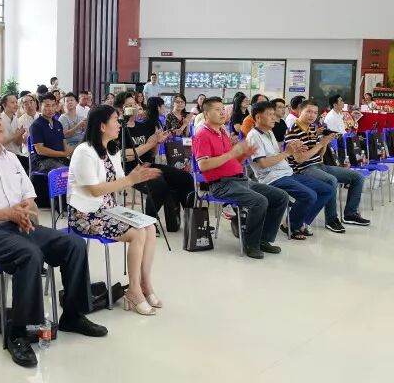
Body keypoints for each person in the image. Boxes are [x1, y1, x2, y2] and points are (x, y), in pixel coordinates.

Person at [0, 101, 107, 368]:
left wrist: (24, 211)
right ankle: (19, 332)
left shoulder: (11, 159)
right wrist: (8, 214)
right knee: (30, 254)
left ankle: (72, 315)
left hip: (19, 225)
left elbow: (30, 198)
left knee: (74, 244)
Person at [68, 105, 162, 315]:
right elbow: (93, 190)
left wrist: (135, 176)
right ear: (102, 126)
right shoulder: (84, 152)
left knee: (150, 227)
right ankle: (134, 290)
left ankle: (145, 284)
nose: (119, 125)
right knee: (138, 233)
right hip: (86, 215)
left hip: (109, 210)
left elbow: (120, 182)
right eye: (115, 121)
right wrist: (130, 180)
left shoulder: (112, 149)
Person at [192, 96, 288, 259]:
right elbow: (204, 165)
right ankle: (250, 243)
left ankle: (263, 239)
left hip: (240, 180)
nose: (222, 113)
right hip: (221, 185)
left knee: (281, 196)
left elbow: (232, 162)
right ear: (206, 114)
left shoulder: (222, 132)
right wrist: (232, 153)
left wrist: (243, 154)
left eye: (223, 109)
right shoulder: (202, 135)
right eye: (217, 110)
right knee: (260, 201)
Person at [246, 101, 334, 239]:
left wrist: (294, 149)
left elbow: (277, 154)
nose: (274, 117)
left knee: (327, 189)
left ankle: (302, 222)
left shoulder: (269, 132)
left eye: (274, 114)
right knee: (309, 195)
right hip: (272, 178)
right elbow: (263, 163)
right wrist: (287, 152)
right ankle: (292, 226)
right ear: (258, 117)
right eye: (270, 115)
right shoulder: (253, 136)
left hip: (286, 173)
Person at [284, 99, 370, 232]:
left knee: (357, 177)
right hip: (304, 169)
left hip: (319, 165)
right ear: (300, 111)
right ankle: (331, 219)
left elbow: (319, 156)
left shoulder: (312, 128)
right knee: (331, 180)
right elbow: (300, 160)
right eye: (308, 112)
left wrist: (325, 142)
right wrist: (321, 144)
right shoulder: (293, 131)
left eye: (315, 113)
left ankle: (350, 214)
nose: (312, 115)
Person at [114, 92, 194, 230]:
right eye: (129, 105)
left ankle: (192, 219)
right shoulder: (118, 129)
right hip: (131, 171)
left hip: (148, 165)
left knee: (185, 177)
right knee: (159, 184)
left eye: (135, 104)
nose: (134, 107)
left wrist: (157, 142)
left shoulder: (142, 126)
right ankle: (149, 223)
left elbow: (151, 153)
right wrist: (149, 144)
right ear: (121, 109)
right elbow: (124, 155)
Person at [29, 93, 73, 172]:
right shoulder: (36, 126)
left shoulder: (58, 124)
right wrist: (63, 154)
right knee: (64, 171)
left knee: (77, 168)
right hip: (43, 161)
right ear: (40, 106)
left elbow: (64, 143)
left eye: (53, 105)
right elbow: (40, 150)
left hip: (60, 158)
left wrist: (70, 152)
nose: (51, 109)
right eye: (47, 106)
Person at [0, 94, 28, 172]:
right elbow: (0, 143)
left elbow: (18, 144)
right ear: (4, 105)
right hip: (3, 156)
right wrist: (16, 134)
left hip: (16, 154)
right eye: (12, 102)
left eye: (16, 102)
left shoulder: (16, 119)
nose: (16, 105)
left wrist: (21, 135)